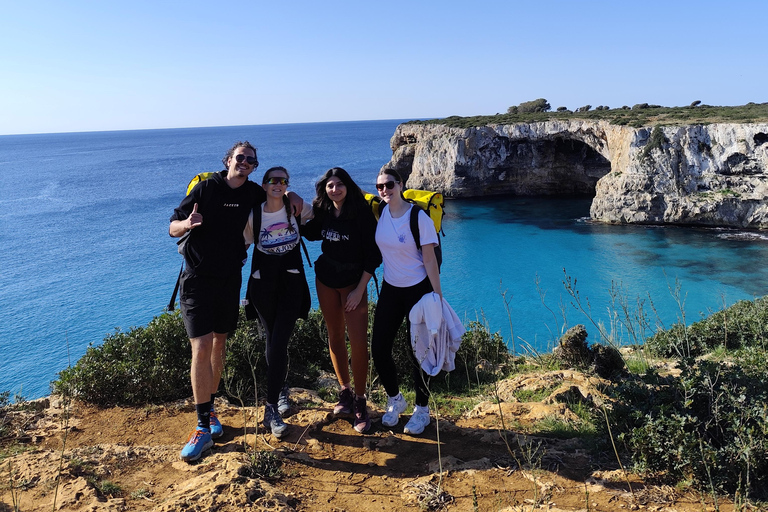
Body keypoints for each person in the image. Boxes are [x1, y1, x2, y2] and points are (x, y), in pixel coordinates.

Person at [169, 141, 264, 462]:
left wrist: (291, 196)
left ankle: (210, 413)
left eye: (251, 160)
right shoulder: (206, 188)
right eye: (240, 158)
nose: (245, 163)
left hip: (230, 279)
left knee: (220, 343)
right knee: (202, 344)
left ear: (254, 167)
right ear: (228, 161)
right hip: (196, 279)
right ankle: (201, 426)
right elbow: (172, 227)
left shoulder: (253, 193)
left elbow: (275, 201)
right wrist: (187, 224)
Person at [302, 167, 381, 434]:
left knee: (358, 342)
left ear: (348, 186)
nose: (334, 189)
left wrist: (360, 290)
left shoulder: (361, 214)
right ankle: (344, 391)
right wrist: (289, 200)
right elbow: (310, 232)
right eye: (330, 186)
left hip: (353, 284)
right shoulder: (324, 212)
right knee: (334, 336)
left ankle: (360, 400)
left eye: (339, 184)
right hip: (325, 280)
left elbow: (374, 254)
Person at [371, 168, 442, 435]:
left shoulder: (418, 217)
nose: (384, 190)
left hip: (418, 291)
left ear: (400, 184)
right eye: (379, 187)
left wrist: (438, 295)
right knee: (379, 347)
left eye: (389, 184)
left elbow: (429, 259)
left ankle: (422, 409)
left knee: (419, 352)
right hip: (391, 290)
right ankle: (395, 399)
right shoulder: (380, 211)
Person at [244, 166, 313, 438]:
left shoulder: (296, 207)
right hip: (263, 286)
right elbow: (240, 246)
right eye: (272, 180)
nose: (278, 184)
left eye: (283, 180)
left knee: (279, 339)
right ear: (264, 185)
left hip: (291, 283)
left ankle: (270, 406)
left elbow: (324, 217)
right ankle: (280, 392)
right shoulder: (254, 215)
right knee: (272, 339)